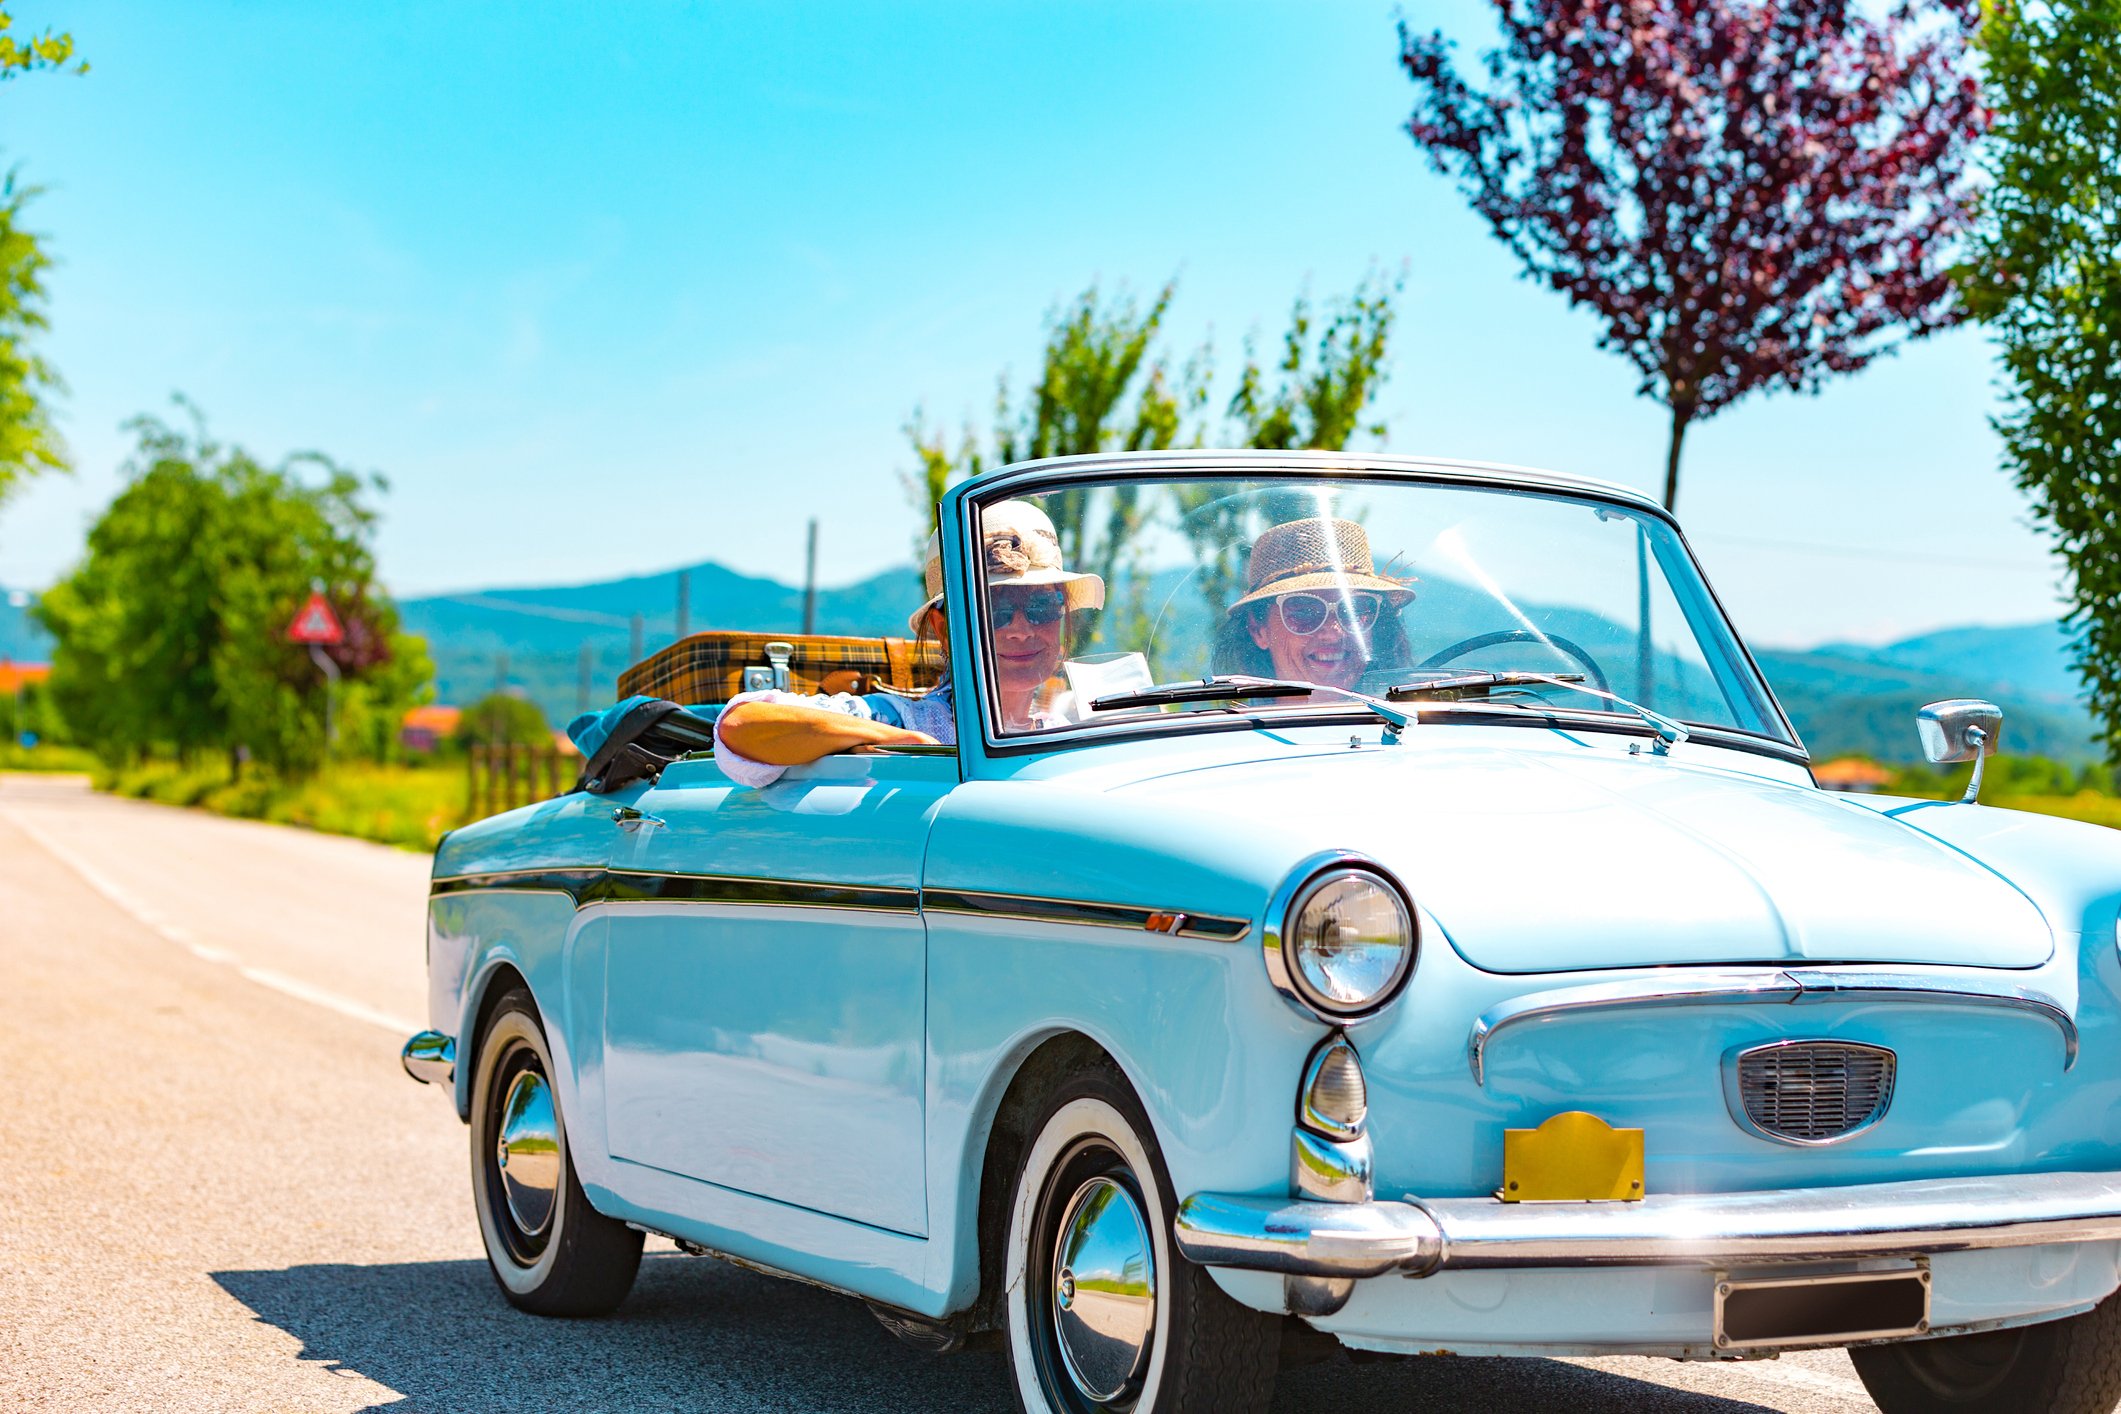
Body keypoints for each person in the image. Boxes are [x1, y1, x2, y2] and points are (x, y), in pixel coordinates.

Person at [714, 500, 1103, 786]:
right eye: (994, 610)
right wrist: (899, 741)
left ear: (1062, 615)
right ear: (944, 629)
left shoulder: (1070, 728)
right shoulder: (901, 719)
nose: (1021, 629)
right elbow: (740, 726)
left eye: (1040, 606)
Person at [1210, 516, 1414, 692]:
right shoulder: (1229, 726)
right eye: (1304, 613)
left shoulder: (1414, 721)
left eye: (1354, 611)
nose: (1333, 634)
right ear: (1258, 631)